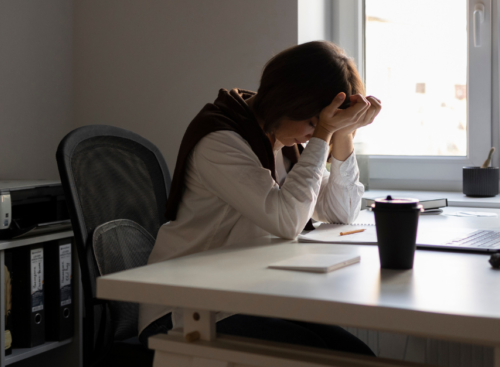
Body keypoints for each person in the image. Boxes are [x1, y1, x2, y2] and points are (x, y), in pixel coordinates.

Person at [138, 41, 381, 356]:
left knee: (356, 356)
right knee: (319, 356)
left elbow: (340, 211)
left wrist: (343, 133)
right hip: (184, 309)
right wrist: (323, 136)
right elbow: (287, 221)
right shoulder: (221, 140)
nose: (313, 134)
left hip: (243, 297)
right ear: (287, 100)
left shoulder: (285, 142)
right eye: (312, 122)